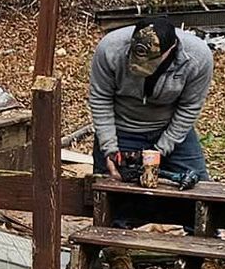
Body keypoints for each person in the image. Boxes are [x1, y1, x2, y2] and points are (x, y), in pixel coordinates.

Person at [88, 16, 213, 183]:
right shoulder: (110, 49)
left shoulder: (198, 57)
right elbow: (100, 98)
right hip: (122, 127)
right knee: (109, 188)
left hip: (168, 128)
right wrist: (110, 149)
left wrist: (160, 151)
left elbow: (189, 106)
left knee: (201, 187)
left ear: (171, 49)